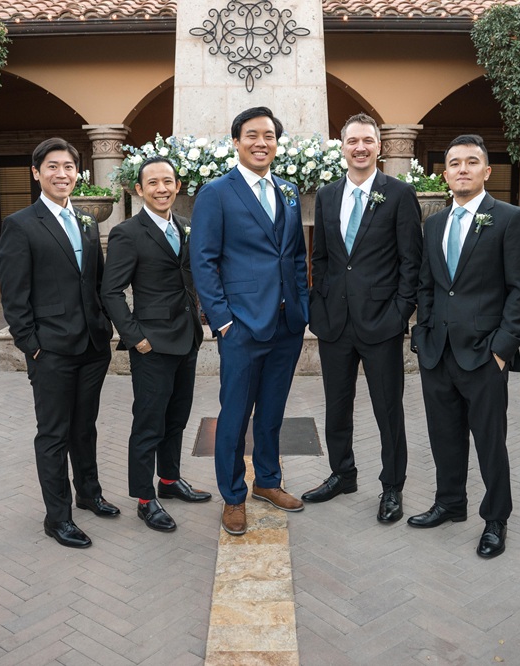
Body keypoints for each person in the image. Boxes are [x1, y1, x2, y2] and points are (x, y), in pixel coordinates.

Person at [409, 134, 520, 559]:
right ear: (444, 175)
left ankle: (496, 519)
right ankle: (450, 503)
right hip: (437, 352)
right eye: (454, 163)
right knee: (443, 435)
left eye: (471, 162)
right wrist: (422, 333)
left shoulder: (510, 219)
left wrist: (502, 349)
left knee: (489, 442)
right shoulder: (433, 225)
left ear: (487, 171)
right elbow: (427, 285)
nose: (462, 169)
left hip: (484, 355)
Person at [191, 106, 310, 536]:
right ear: (236, 142)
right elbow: (203, 261)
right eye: (252, 135)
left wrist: (301, 308)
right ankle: (233, 496)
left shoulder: (289, 191)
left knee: (273, 411)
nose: (261, 143)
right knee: (235, 415)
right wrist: (222, 320)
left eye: (269, 136)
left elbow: (295, 256)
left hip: (286, 325)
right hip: (241, 326)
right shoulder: (216, 193)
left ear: (277, 143)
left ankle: (268, 482)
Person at [0, 137, 120, 549]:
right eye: (52, 166)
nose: (61, 174)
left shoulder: (87, 221)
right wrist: (31, 344)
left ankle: (89, 494)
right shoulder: (20, 225)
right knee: (53, 434)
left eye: (68, 167)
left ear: (77, 173)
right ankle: (58, 518)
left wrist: (104, 326)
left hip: (92, 347)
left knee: (85, 427)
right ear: (37, 173)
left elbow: (96, 282)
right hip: (50, 350)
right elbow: (14, 295)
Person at [303, 113, 423, 523]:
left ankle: (392, 487)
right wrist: (318, 307)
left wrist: (399, 313)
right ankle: (343, 474)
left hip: (381, 323)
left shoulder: (399, 194)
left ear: (379, 147)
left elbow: (411, 262)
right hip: (334, 323)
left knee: (388, 410)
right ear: (343, 147)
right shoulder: (327, 195)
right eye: (352, 141)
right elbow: (320, 257)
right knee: (337, 407)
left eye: (367, 141)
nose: (360, 148)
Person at [101, 156, 212, 532]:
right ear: (139, 190)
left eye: (168, 181)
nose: (161, 188)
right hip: (152, 346)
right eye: (153, 183)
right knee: (149, 423)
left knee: (177, 418)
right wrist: (137, 338)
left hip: (187, 339)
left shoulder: (186, 226)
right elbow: (111, 291)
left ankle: (169, 479)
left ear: (178, 186)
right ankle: (145, 499)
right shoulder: (127, 233)